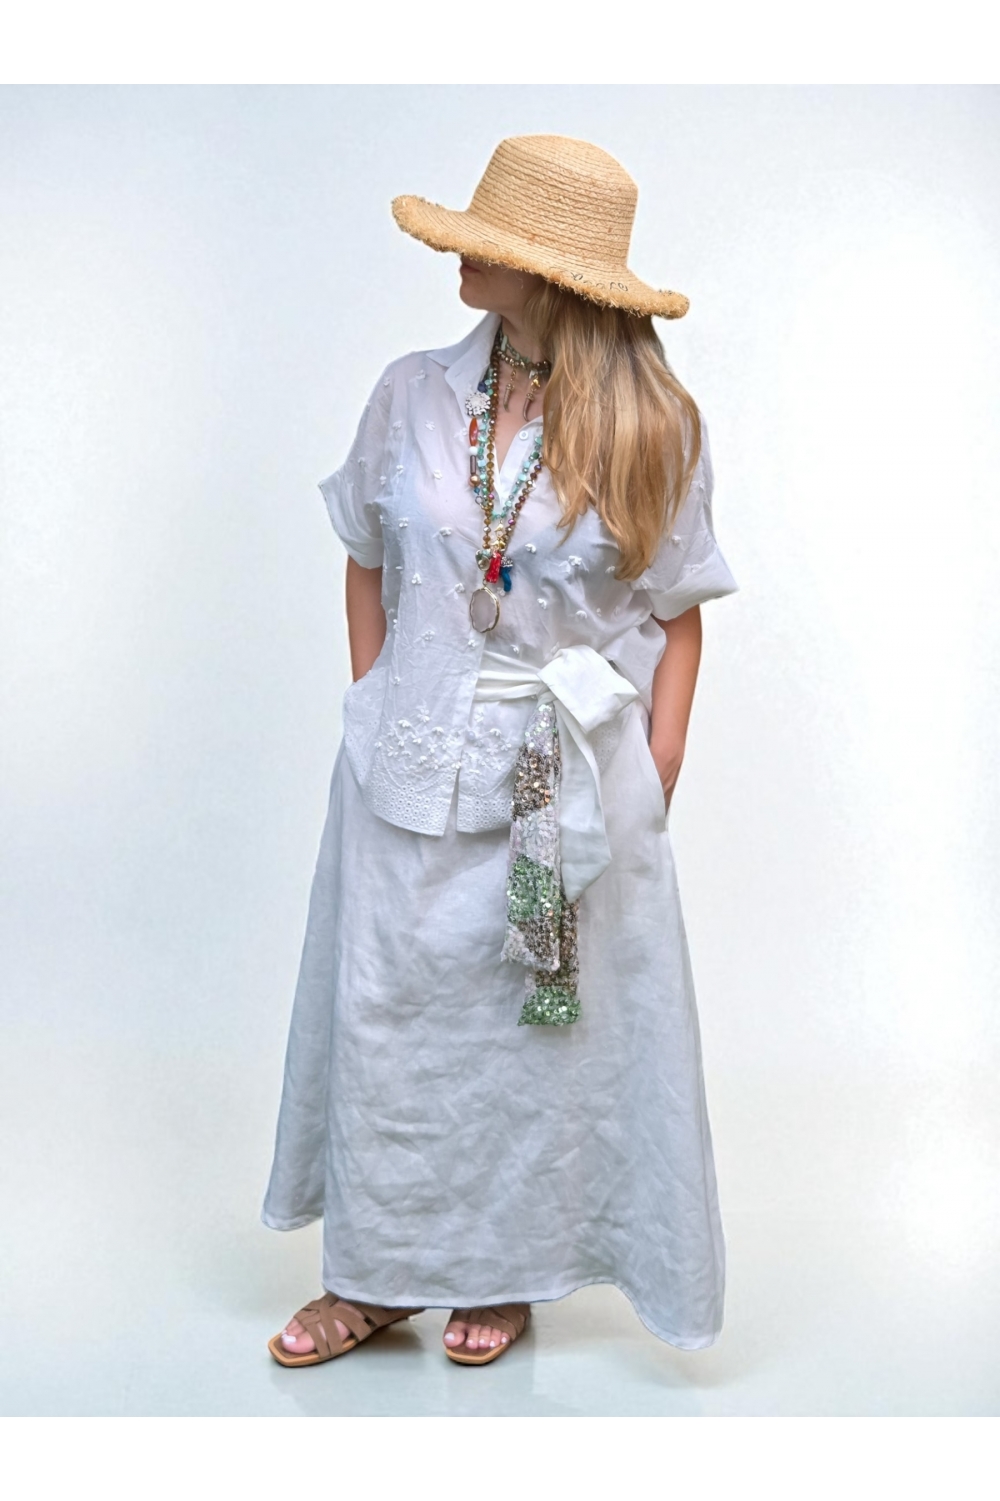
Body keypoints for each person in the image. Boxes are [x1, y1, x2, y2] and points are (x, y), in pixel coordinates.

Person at [262, 134, 738, 1367]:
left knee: (527, 1033)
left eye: (490, 244)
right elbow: (364, 553)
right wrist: (376, 698)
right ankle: (371, 1275)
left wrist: (655, 769)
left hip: (553, 782)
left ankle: (503, 1268)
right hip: (407, 760)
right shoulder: (412, 392)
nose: (462, 257)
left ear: (556, 279)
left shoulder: (654, 425)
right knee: (389, 1012)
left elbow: (680, 611)